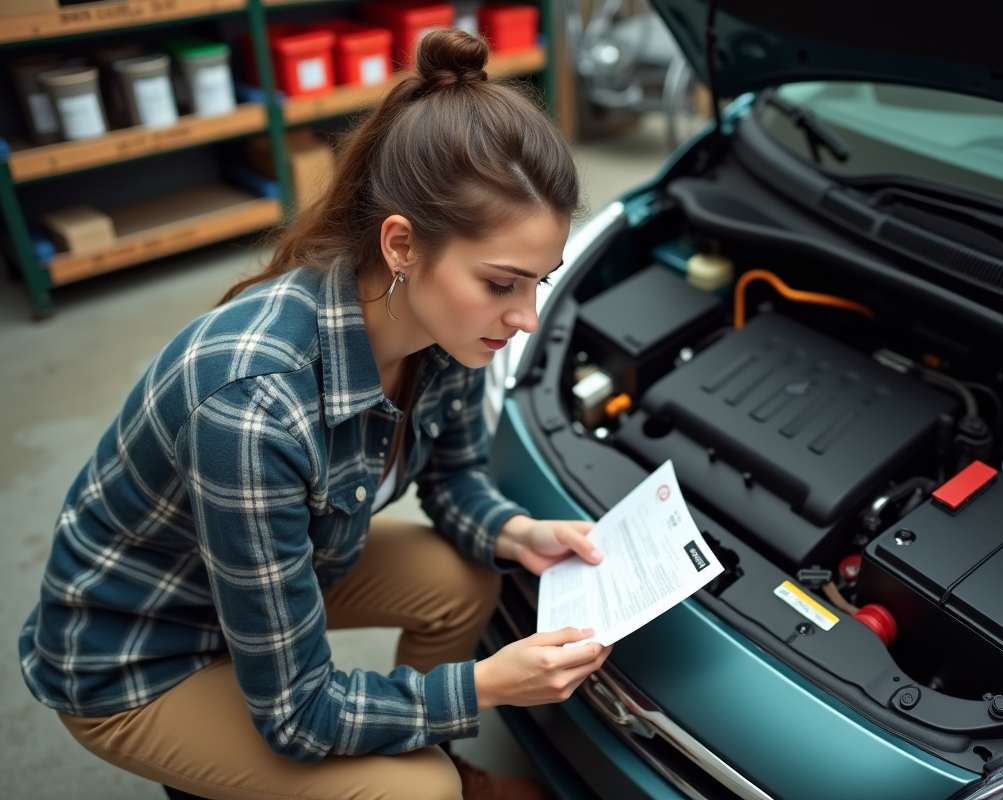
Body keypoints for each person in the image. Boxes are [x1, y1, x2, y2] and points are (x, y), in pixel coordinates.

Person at [19, 29, 611, 800]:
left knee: (467, 578)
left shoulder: (447, 326)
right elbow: (297, 713)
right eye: (503, 282)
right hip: (140, 650)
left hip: (260, 581)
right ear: (401, 244)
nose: (526, 317)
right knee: (417, 790)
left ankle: (423, 765)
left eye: (538, 282)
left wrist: (515, 532)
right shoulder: (252, 406)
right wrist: (484, 688)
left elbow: (456, 475)